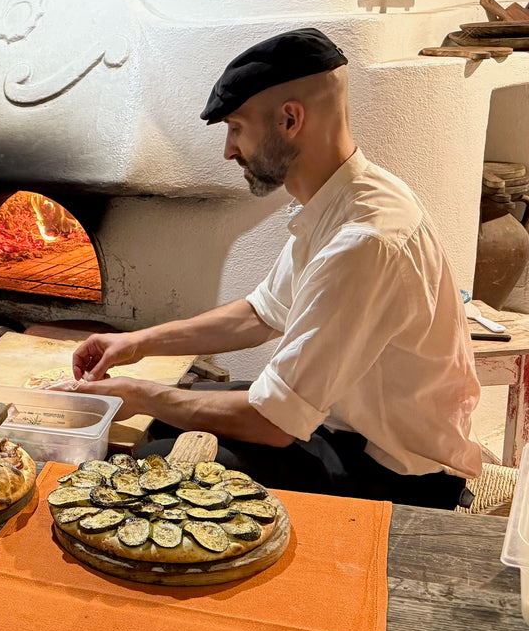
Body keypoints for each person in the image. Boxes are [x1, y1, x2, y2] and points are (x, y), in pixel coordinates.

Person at [60, 28, 482, 508]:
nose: (228, 150)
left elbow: (274, 423)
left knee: (158, 459)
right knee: (166, 420)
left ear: (289, 119)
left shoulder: (365, 241)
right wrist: (137, 344)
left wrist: (136, 395)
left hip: (394, 470)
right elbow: (259, 315)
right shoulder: (340, 200)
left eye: (236, 128)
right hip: (343, 424)